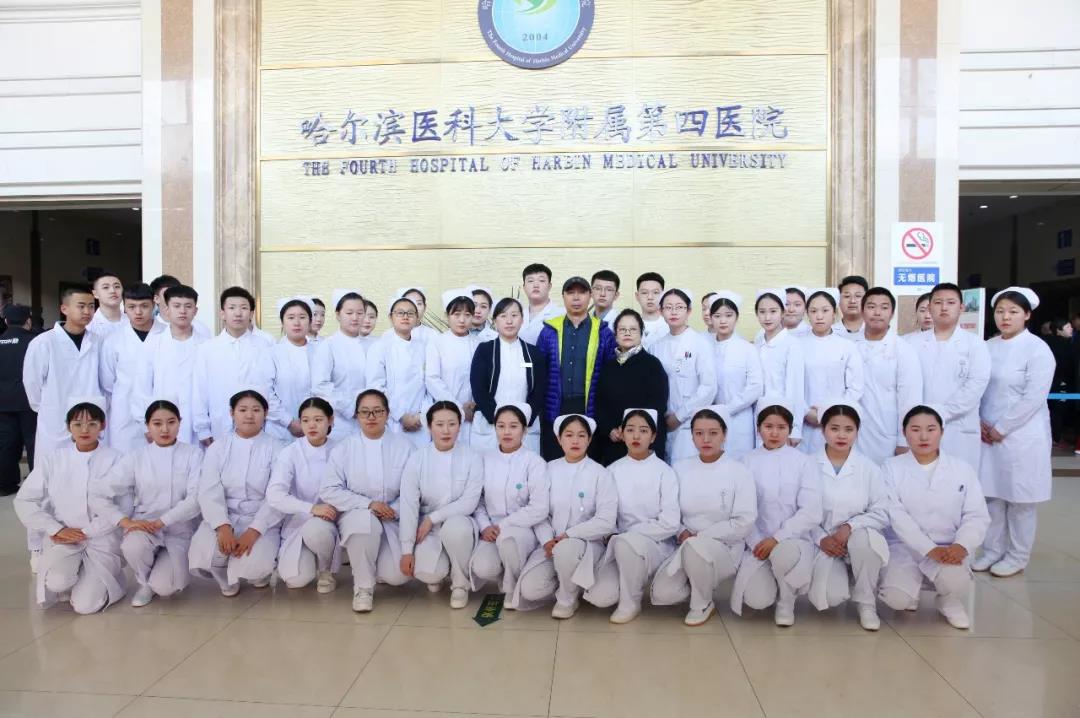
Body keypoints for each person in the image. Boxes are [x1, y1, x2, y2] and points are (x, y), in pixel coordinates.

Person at [879, 405, 990, 629]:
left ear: (942, 432)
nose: (923, 437)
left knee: (954, 581)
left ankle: (948, 599)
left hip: (949, 548)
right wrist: (928, 548)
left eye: (931, 429)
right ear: (904, 432)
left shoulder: (962, 469)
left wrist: (961, 545)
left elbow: (976, 515)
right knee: (896, 599)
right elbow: (896, 515)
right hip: (904, 547)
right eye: (915, 429)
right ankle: (910, 591)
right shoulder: (890, 468)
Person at [14, 397, 126, 613]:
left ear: (102, 426)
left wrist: (86, 532)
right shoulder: (53, 460)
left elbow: (123, 506)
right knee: (57, 583)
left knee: (86, 606)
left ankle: (109, 580)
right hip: (63, 539)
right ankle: (77, 577)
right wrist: (56, 529)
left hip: (102, 540)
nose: (85, 430)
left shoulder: (117, 460)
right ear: (68, 427)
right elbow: (24, 500)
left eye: (92, 423)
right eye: (77, 424)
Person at [89, 399, 202, 607]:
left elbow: (196, 498)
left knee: (165, 588)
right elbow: (98, 493)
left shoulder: (193, 454)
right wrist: (124, 521)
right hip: (145, 526)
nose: (165, 429)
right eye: (157, 424)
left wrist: (163, 521)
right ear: (147, 426)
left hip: (180, 529)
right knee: (133, 546)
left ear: (180, 422)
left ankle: (161, 575)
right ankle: (143, 583)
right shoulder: (137, 457)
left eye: (171, 422)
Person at [976, 287, 1055, 578]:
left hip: (1023, 435)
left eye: (1013, 312)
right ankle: (992, 550)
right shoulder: (987, 346)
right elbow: (977, 386)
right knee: (992, 496)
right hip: (987, 433)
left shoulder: (1037, 349)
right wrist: (981, 422)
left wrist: (1002, 427)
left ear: (1027, 315)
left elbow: (1033, 397)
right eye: (1000, 311)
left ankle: (1017, 556)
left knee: (1020, 499)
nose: (1005, 317)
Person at [650, 409, 756, 626]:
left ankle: (702, 603)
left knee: (695, 547)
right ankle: (699, 579)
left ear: (725, 435)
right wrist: (682, 532)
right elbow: (668, 510)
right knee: (663, 594)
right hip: (684, 543)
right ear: (692, 436)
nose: (706, 439)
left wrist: (700, 536)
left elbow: (744, 521)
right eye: (699, 433)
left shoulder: (739, 471)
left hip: (725, 547)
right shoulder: (680, 469)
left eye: (713, 433)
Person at [319, 389, 414, 612]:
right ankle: (363, 587)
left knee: (397, 576)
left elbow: (414, 489)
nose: (371, 417)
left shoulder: (405, 446)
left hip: (393, 517)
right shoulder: (344, 448)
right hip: (357, 513)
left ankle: (374, 567)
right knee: (365, 524)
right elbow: (329, 489)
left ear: (387, 414)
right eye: (365, 412)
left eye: (377, 411)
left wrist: (393, 509)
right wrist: (368, 505)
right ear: (356, 415)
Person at [730, 399, 822, 626]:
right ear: (758, 429)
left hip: (793, 540)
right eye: (768, 426)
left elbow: (811, 511)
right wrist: (757, 541)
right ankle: (772, 585)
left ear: (790, 429)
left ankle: (786, 602)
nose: (774, 433)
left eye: (781, 427)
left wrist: (778, 538)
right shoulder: (746, 462)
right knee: (756, 599)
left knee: (785, 555)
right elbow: (740, 509)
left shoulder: (804, 462)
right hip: (757, 543)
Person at [514, 414, 617, 617]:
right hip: (550, 545)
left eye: (581, 435)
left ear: (589, 439)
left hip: (586, 544)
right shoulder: (547, 470)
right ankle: (567, 580)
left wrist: (569, 535)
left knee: (568, 550)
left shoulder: (601, 474)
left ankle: (567, 599)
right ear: (559, 439)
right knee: (530, 589)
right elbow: (538, 512)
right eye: (569, 435)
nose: (575, 441)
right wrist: (547, 540)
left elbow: (606, 520)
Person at [585, 408, 679, 623]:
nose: (636, 436)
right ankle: (630, 578)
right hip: (617, 545)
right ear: (622, 433)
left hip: (656, 545)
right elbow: (604, 514)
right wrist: (613, 535)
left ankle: (630, 602)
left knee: (628, 544)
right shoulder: (611, 471)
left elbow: (670, 523)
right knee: (600, 597)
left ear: (653, 436)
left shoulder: (665, 472)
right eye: (630, 430)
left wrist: (628, 536)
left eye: (643, 431)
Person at [188, 389, 284, 596]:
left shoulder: (277, 449)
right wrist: (222, 527)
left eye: (256, 410)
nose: (249, 415)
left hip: (261, 519)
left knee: (255, 565)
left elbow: (277, 496)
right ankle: (223, 579)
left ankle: (259, 573)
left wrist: (254, 530)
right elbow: (209, 491)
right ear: (232, 413)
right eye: (243, 410)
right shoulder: (218, 448)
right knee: (208, 554)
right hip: (226, 515)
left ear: (265, 413)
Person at [807, 402, 890, 631]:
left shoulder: (869, 468)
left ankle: (866, 602)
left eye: (848, 429)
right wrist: (820, 538)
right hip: (821, 543)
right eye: (834, 429)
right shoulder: (807, 465)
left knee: (866, 542)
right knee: (831, 597)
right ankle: (846, 574)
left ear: (857, 431)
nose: (841, 435)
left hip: (857, 537)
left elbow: (882, 511)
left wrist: (850, 527)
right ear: (823, 430)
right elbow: (799, 511)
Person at [399, 401, 484, 609]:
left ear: (460, 426)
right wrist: (407, 549)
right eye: (439, 424)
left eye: (452, 424)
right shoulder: (417, 459)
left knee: (456, 528)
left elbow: (469, 501)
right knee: (428, 573)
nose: (446, 431)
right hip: (429, 529)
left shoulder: (472, 457)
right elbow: (409, 505)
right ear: (429, 426)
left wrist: (432, 518)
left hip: (460, 523)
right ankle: (443, 568)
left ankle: (460, 583)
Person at [469, 403, 549, 607]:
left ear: (524, 430)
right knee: (482, 567)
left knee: (510, 541)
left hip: (522, 529)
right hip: (491, 530)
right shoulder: (484, 459)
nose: (506, 432)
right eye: (501, 426)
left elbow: (539, 507)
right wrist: (485, 526)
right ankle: (504, 572)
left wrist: (503, 525)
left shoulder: (534, 462)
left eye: (513, 426)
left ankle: (512, 584)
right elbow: (478, 500)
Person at [909, 283, 991, 471]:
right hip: (919, 425)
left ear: (961, 308)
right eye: (938, 302)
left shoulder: (975, 344)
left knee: (958, 480)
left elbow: (975, 386)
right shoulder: (911, 343)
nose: (944, 307)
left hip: (959, 429)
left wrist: (941, 413)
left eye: (951, 302)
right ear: (930, 307)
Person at [536, 276, 617, 459]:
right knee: (555, 462)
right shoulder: (549, 331)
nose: (576, 297)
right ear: (563, 296)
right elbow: (540, 373)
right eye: (571, 293)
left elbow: (610, 375)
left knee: (588, 464)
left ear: (590, 296)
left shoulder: (603, 332)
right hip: (555, 407)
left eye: (582, 293)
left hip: (590, 408)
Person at [266, 397, 341, 592]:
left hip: (331, 520)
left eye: (318, 419)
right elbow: (275, 494)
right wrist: (311, 508)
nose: (312, 425)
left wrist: (332, 509)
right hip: (299, 519)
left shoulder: (341, 450)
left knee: (318, 531)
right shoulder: (290, 453)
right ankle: (306, 558)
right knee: (295, 580)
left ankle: (325, 570)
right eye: (306, 420)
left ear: (330, 420)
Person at [191, 287, 279, 446]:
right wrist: (202, 428)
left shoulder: (265, 346)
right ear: (222, 313)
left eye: (244, 308)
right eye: (232, 308)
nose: (238, 313)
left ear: (251, 314)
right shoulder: (207, 349)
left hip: (257, 424)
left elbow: (270, 388)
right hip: (219, 423)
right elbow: (199, 389)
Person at [131, 285, 207, 445]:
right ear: (166, 310)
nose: (182, 311)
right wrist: (146, 426)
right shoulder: (153, 344)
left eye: (188, 306)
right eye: (176, 306)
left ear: (195, 311)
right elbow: (142, 387)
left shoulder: (206, 344)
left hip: (198, 424)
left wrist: (206, 428)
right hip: (162, 422)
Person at [855, 287, 923, 463]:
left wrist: (904, 440)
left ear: (892, 313)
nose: (877, 313)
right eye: (871, 307)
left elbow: (910, 397)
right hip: (854, 430)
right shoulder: (850, 346)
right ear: (862, 311)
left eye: (884, 307)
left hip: (888, 431)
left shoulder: (904, 350)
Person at [469, 297, 545, 453]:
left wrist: (524, 418)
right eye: (503, 316)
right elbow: (478, 388)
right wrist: (497, 419)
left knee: (524, 466)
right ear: (495, 321)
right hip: (490, 425)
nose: (509, 321)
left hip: (525, 425)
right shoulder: (485, 350)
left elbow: (540, 389)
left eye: (514, 315)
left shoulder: (533, 353)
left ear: (522, 320)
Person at [593, 309, 669, 465]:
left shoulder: (652, 365)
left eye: (633, 329)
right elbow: (599, 404)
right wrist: (610, 429)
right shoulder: (608, 367)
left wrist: (630, 430)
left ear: (641, 333)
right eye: (622, 329)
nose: (627, 333)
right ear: (615, 335)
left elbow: (658, 404)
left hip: (644, 443)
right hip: (614, 442)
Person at [651, 288, 717, 462]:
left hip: (689, 421)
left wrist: (679, 416)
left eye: (679, 307)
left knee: (688, 468)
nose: (673, 312)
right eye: (668, 307)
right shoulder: (656, 346)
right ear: (661, 311)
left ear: (689, 311)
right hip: (662, 422)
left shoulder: (700, 344)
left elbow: (708, 387)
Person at [99, 283, 164, 451]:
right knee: (125, 460)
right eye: (132, 307)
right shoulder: (113, 340)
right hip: (125, 414)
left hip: (162, 412)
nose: (138, 312)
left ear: (154, 304)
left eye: (144, 306)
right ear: (124, 307)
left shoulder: (167, 335)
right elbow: (108, 382)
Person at [800, 289, 865, 456]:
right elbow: (793, 386)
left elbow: (856, 387)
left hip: (838, 419)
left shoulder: (847, 346)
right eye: (813, 311)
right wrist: (806, 412)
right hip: (805, 421)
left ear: (834, 313)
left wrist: (833, 412)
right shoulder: (797, 346)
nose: (819, 316)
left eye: (825, 310)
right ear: (807, 314)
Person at [367, 295, 431, 448]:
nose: (405, 317)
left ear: (417, 318)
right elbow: (376, 387)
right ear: (391, 317)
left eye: (410, 313)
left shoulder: (424, 348)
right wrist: (401, 415)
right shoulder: (380, 347)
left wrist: (422, 415)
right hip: (392, 421)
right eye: (400, 313)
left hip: (420, 423)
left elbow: (429, 385)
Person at [708, 292, 764, 459]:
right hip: (710, 417)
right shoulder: (705, 347)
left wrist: (728, 408)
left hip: (740, 418)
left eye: (728, 315)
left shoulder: (747, 348)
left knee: (739, 463)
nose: (723, 321)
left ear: (737, 318)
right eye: (717, 316)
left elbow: (756, 386)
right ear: (711, 318)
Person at [312, 290, 370, 437]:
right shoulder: (328, 346)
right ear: (338, 315)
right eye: (349, 313)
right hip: (341, 421)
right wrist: (352, 408)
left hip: (371, 417)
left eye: (360, 313)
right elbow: (320, 385)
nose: (355, 318)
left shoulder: (373, 345)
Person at [425, 290, 480, 444]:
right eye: (456, 314)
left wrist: (475, 405)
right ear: (447, 315)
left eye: (467, 315)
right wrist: (457, 407)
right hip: (446, 411)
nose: (462, 320)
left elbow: (484, 379)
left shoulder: (479, 344)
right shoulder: (437, 343)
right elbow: (432, 379)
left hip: (473, 415)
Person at [754, 289, 805, 447]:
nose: (767, 317)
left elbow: (795, 388)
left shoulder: (792, 344)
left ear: (783, 313)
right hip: (759, 416)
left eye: (773, 311)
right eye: (762, 312)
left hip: (782, 418)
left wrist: (795, 428)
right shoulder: (757, 343)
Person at [0, 304, 36, 496]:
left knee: (5, 443)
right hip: (29, 400)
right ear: (28, 321)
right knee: (33, 442)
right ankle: (37, 484)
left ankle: (5, 484)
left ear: (6, 321)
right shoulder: (35, 341)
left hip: (3, 402)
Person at [269, 298, 315, 441]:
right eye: (290, 318)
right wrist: (289, 422)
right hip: (281, 429)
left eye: (302, 317)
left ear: (310, 322)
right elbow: (266, 393)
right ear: (282, 322)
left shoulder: (321, 351)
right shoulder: (271, 353)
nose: (297, 323)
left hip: (316, 427)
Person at [150, 274, 212, 339]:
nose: (174, 297)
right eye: (167, 294)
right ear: (156, 299)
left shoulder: (200, 328)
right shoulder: (150, 328)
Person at [1044, 318, 1074, 448]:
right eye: (1068, 327)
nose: (1071, 329)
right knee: (1057, 410)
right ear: (1059, 331)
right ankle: (1056, 438)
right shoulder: (1063, 345)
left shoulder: (1045, 343)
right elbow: (1066, 366)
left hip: (1048, 383)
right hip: (1059, 382)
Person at [520, 263, 562, 345]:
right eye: (530, 281)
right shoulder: (517, 315)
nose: (536, 285)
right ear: (524, 287)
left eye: (541, 280)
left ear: (549, 286)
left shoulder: (561, 314)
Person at [86, 271, 126, 340]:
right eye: (106, 287)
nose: (113, 291)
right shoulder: (88, 326)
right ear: (95, 294)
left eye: (117, 286)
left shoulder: (133, 320)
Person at [634, 272, 669, 349]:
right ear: (637, 296)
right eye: (644, 293)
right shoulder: (630, 325)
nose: (650, 297)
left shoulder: (670, 326)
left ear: (663, 295)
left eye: (655, 292)